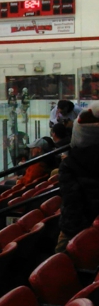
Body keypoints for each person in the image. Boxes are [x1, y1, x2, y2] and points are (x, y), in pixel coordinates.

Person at [56, 101, 99, 252]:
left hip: (76, 225)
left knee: (61, 254)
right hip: (93, 221)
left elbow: (71, 202)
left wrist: (70, 230)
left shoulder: (69, 163)